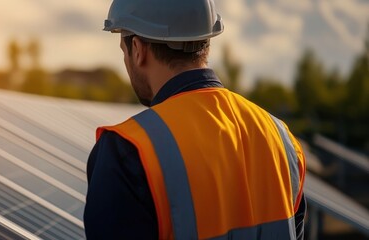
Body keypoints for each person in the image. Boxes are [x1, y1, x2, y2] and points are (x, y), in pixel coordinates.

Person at [84, 0, 307, 239]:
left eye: (123, 50)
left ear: (137, 50)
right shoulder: (281, 138)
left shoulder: (128, 151)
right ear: (206, 41)